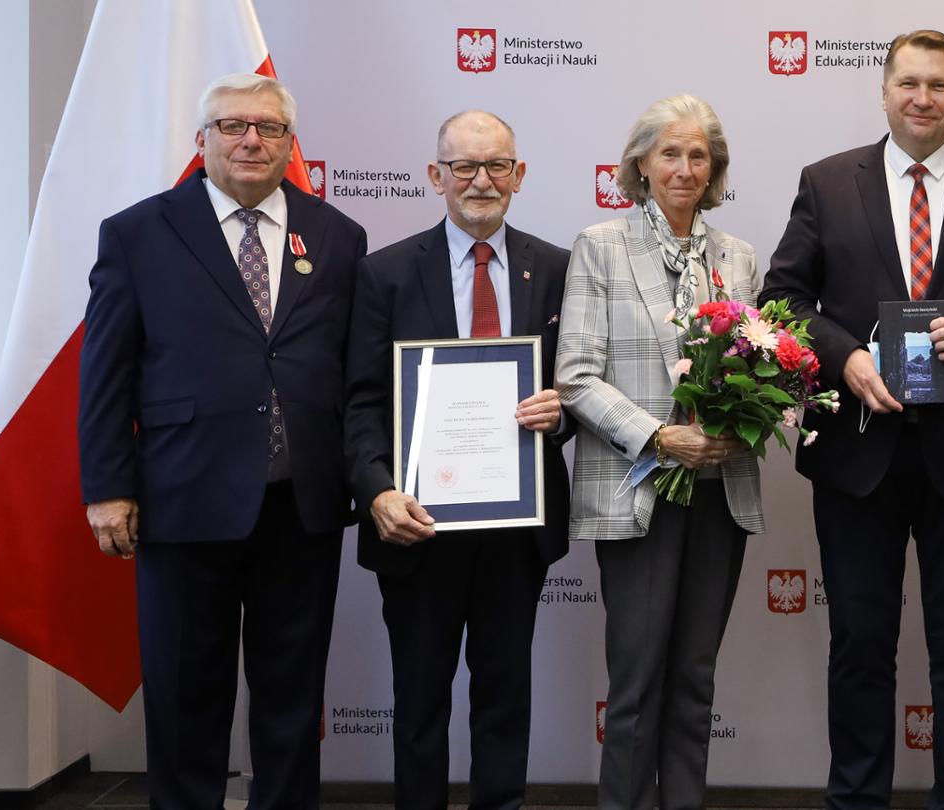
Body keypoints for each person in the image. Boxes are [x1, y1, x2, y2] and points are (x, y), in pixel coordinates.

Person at [759, 29, 944, 810]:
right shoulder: (827, 183)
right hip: (859, 460)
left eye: (939, 85)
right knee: (860, 646)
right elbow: (782, 299)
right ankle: (857, 799)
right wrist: (844, 358)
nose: (923, 99)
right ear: (884, 91)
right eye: (909, 84)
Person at [77, 73, 367, 808]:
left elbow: (353, 370)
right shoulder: (138, 232)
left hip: (300, 506)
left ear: (290, 144)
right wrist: (108, 488)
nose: (251, 140)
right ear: (200, 140)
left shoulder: (336, 235)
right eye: (233, 126)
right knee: (183, 698)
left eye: (269, 129)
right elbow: (106, 371)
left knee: (293, 699)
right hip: (183, 501)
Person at [343, 109, 572, 810]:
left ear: (519, 175)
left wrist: (561, 411)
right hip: (416, 527)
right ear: (435, 176)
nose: (481, 180)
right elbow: (358, 403)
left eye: (496, 165)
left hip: (515, 527)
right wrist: (378, 491)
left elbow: (578, 385)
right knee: (418, 703)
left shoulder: (558, 267)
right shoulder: (381, 274)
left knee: (505, 697)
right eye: (464, 167)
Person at [555, 94, 761, 810]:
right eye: (669, 153)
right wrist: (660, 435)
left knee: (696, 677)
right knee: (637, 680)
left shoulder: (738, 258)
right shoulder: (600, 246)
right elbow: (575, 377)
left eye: (698, 155)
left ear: (714, 170)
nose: (683, 168)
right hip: (638, 486)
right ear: (640, 163)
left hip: (720, 490)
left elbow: (760, 368)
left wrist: (746, 423)